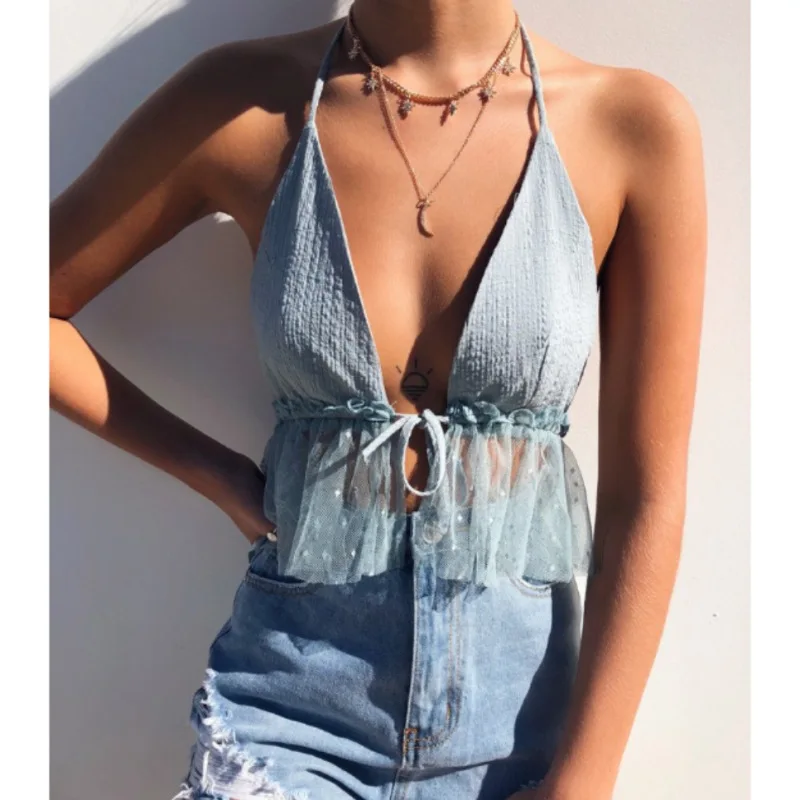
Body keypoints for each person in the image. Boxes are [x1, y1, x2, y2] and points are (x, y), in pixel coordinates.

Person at [49, 1, 706, 798]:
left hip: (523, 732)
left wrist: (584, 779)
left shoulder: (631, 124)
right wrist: (216, 474)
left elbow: (646, 497)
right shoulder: (241, 100)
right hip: (288, 716)